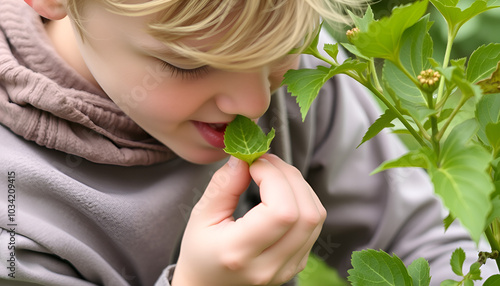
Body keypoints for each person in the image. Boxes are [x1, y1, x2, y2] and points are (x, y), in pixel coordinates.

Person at [0, 0, 492, 285]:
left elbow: (420, 237)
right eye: (189, 64)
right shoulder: (16, 211)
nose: (255, 102)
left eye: (285, 52)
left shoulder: (273, 50)